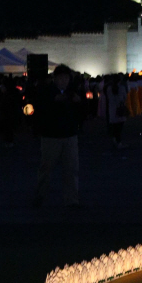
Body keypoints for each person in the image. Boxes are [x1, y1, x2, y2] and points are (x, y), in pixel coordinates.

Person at [33, 64, 82, 206]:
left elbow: (82, 112)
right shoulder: (47, 91)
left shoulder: (73, 92)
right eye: (60, 78)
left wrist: (79, 103)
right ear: (55, 78)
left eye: (66, 78)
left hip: (69, 135)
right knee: (46, 168)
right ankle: (40, 195)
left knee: (71, 169)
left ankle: (72, 199)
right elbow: (40, 109)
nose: (63, 80)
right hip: (51, 136)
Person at [106, 74, 129, 149]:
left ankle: (114, 140)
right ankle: (118, 142)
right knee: (119, 128)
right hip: (120, 109)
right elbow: (124, 97)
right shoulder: (121, 88)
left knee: (114, 127)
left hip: (112, 109)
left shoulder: (109, 88)